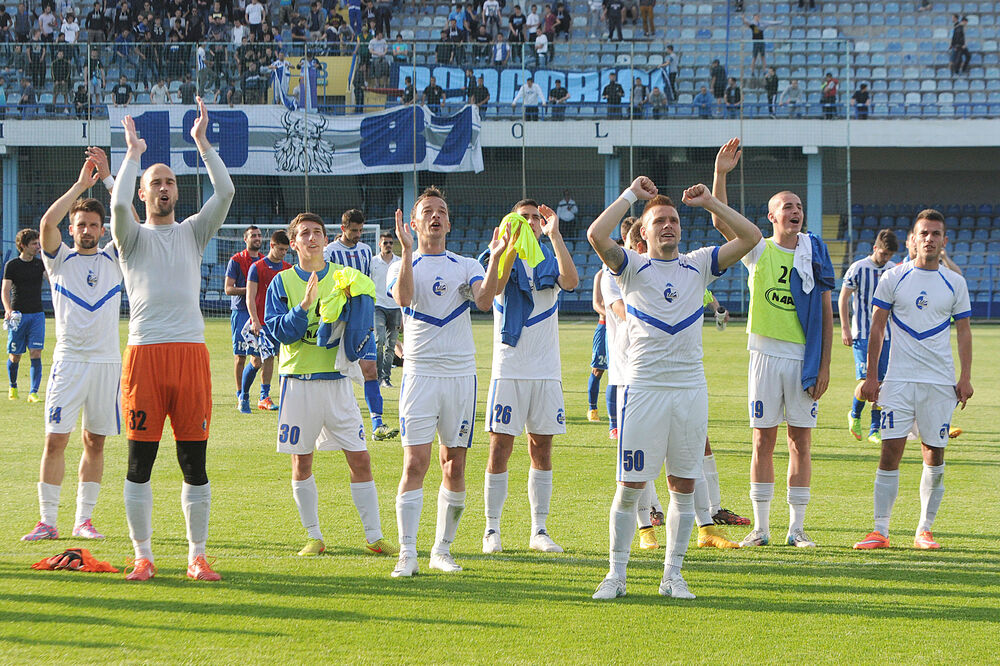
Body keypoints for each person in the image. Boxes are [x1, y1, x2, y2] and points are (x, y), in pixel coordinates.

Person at [588, 175, 762, 601]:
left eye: (673, 220)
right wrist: (631, 195)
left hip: (689, 391)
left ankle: (673, 576)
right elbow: (596, 234)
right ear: (643, 234)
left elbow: (751, 237)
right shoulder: (631, 266)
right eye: (659, 221)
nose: (668, 225)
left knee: (683, 488)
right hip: (643, 390)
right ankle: (616, 575)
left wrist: (711, 203)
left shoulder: (698, 264)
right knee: (629, 488)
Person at [112, 98, 235, 582]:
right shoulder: (130, 237)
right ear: (143, 193)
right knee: (139, 463)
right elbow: (116, 204)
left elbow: (225, 192)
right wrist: (133, 155)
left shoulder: (192, 233)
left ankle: (196, 556)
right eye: (156, 183)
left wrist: (202, 144)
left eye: (170, 182)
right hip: (144, 355)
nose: (164, 188)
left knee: (193, 462)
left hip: (190, 356)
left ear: (177, 192)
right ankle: (142, 555)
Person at [711, 138, 834, 549]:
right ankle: (761, 528)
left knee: (800, 441)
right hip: (764, 355)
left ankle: (796, 528)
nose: (795, 211)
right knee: (762, 440)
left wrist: (825, 366)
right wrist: (721, 174)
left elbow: (826, 313)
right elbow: (722, 223)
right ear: (771, 216)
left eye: (798, 206)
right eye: (787, 206)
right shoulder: (758, 250)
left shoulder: (814, 253)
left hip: (802, 358)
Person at [263, 212, 397, 558]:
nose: (311, 238)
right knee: (301, 463)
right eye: (304, 233)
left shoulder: (344, 278)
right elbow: (279, 332)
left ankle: (374, 537)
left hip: (337, 384)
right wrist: (304, 307)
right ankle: (314, 537)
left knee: (361, 459)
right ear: (294, 243)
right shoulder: (281, 283)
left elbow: (362, 322)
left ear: (326, 240)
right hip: (299, 383)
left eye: (317, 233)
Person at [386, 192, 506, 577]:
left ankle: (442, 549)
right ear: (414, 224)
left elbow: (484, 300)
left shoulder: (466, 264)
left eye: (441, 212)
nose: (435, 217)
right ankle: (407, 552)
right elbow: (404, 298)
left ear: (449, 224)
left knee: (454, 465)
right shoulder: (400, 263)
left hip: (459, 375)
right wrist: (407, 251)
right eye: (427, 212)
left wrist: (496, 257)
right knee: (415, 462)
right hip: (419, 374)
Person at [853, 210, 972, 551]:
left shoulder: (955, 282)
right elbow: (877, 328)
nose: (929, 239)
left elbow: (964, 332)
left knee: (934, 453)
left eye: (935, 234)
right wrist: (871, 376)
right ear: (912, 240)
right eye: (924, 233)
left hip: (939, 383)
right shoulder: (893, 278)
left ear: (944, 241)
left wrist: (965, 377)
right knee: (890, 452)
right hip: (898, 381)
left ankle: (924, 530)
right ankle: (880, 531)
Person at [21, 150, 123, 543]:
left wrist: (110, 180)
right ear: (72, 228)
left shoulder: (114, 257)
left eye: (94, 225)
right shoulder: (58, 259)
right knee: (55, 440)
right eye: (81, 224)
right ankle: (47, 521)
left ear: (102, 230)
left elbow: (131, 221)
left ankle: (84, 520)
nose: (87, 230)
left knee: (94, 442)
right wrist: (81, 185)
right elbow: (46, 223)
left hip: (106, 363)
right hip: (68, 363)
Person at [482, 199, 579, 555]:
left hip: (546, 371)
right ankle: (492, 528)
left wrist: (556, 236)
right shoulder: (495, 255)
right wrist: (507, 248)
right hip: (509, 369)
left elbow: (571, 281)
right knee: (500, 448)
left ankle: (539, 529)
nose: (531, 222)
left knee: (542, 448)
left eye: (536, 218)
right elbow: (493, 289)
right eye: (523, 218)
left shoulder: (549, 258)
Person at [323, 209, 397, 441]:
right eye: (354, 230)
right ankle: (333, 424)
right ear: (343, 228)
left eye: (360, 230)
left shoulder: (365, 251)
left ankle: (377, 424)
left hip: (362, 318)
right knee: (335, 373)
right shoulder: (330, 251)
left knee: (370, 370)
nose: (357, 234)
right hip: (338, 319)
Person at [840, 229, 897, 444]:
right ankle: (854, 415)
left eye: (889, 255)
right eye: (883, 253)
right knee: (867, 382)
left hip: (887, 336)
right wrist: (845, 328)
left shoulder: (893, 270)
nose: (886, 258)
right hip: (863, 334)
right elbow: (843, 298)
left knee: (882, 383)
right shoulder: (858, 268)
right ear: (875, 248)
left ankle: (875, 428)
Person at [246, 230, 290, 411]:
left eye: (286, 250)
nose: (283, 253)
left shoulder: (288, 268)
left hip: (281, 321)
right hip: (262, 322)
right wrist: (254, 320)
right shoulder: (257, 267)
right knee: (258, 360)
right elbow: (250, 297)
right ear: (272, 245)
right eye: (281, 249)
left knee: (283, 358)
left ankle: (282, 396)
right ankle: (245, 395)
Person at [3, 228, 46, 402]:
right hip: (18, 315)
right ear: (23, 245)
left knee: (36, 352)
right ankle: (13, 386)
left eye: (38, 243)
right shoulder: (12, 265)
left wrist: (47, 261)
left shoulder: (40, 264)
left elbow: (52, 280)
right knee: (15, 355)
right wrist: (8, 310)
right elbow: (5, 290)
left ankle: (33, 392)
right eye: (34, 244)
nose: (38, 247)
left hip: (37, 315)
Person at [226, 225, 264, 414]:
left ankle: (263, 395)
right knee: (240, 356)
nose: (257, 238)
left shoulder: (264, 261)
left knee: (261, 356)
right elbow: (228, 289)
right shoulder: (236, 260)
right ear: (245, 239)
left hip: (260, 313)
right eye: (253, 236)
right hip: (241, 312)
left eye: (259, 235)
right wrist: (250, 290)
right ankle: (240, 394)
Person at [371, 232, 401, 388]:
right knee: (379, 340)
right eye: (385, 243)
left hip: (395, 307)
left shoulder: (399, 262)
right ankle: (377, 376)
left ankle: (386, 377)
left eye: (390, 243)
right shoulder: (373, 262)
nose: (388, 245)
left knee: (391, 344)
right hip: (378, 306)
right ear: (379, 244)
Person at [587, 271, 608, 422]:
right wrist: (614, 314)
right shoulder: (601, 275)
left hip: (625, 328)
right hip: (605, 326)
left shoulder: (628, 271)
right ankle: (592, 408)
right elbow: (597, 304)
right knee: (597, 370)